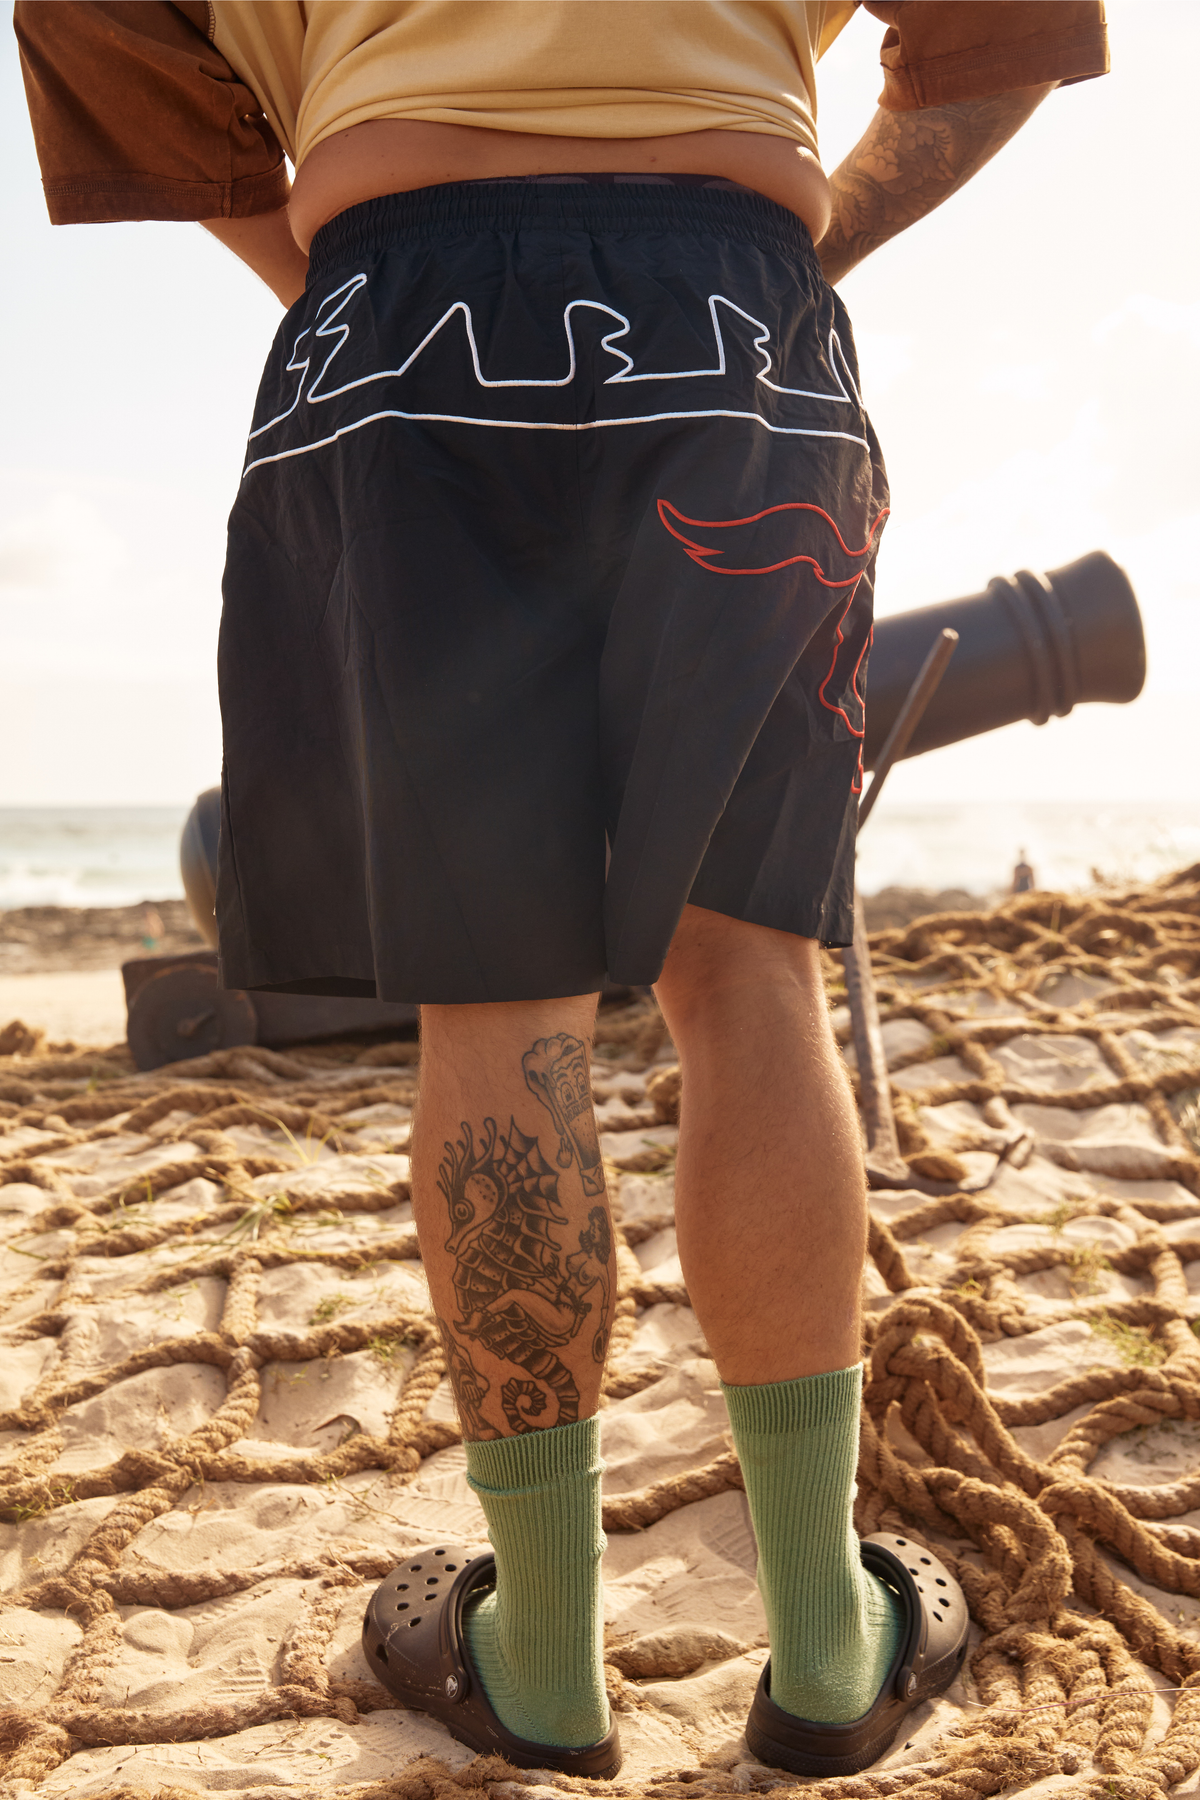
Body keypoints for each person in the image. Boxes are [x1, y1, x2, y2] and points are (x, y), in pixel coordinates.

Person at [16, 2, 1108, 1780]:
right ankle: (826, 1642)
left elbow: (98, 31)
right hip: (734, 307)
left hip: (391, 316)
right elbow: (1007, 33)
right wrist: (792, 230)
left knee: (494, 1007)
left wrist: (352, 262)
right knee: (749, 975)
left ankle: (540, 1656)